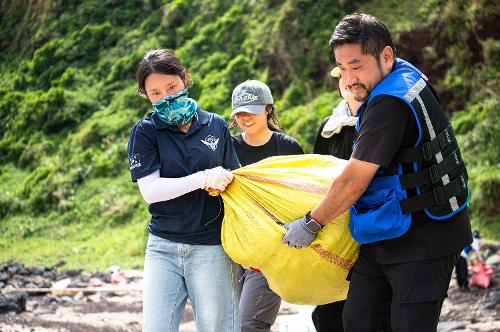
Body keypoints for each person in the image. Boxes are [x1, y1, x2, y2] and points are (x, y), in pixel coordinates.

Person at [281, 13, 472, 331]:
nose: (349, 78)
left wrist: (311, 223)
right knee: (358, 319)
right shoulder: (404, 72)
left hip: (426, 236)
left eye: (357, 66)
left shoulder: (389, 103)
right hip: (384, 230)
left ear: (386, 55)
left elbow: (354, 181)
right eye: (342, 68)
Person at [127, 49, 240, 332]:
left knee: (218, 328)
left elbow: (234, 181)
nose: (165, 97)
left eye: (171, 87)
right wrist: (203, 178)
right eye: (155, 93)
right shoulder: (145, 132)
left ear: (184, 79)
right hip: (162, 247)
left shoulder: (215, 125)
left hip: (211, 247)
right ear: (147, 96)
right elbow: (151, 191)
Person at [230, 80, 304, 332]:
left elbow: (301, 199)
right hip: (233, 250)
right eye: (239, 112)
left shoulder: (288, 148)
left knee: (249, 325)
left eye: (251, 110)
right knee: (233, 324)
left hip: (272, 251)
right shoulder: (228, 149)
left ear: (268, 109)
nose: (245, 117)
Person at [311, 74, 361, 332]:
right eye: (341, 75)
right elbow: (316, 176)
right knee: (328, 315)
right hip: (334, 227)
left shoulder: (378, 119)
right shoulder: (328, 127)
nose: (346, 80)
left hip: (370, 226)